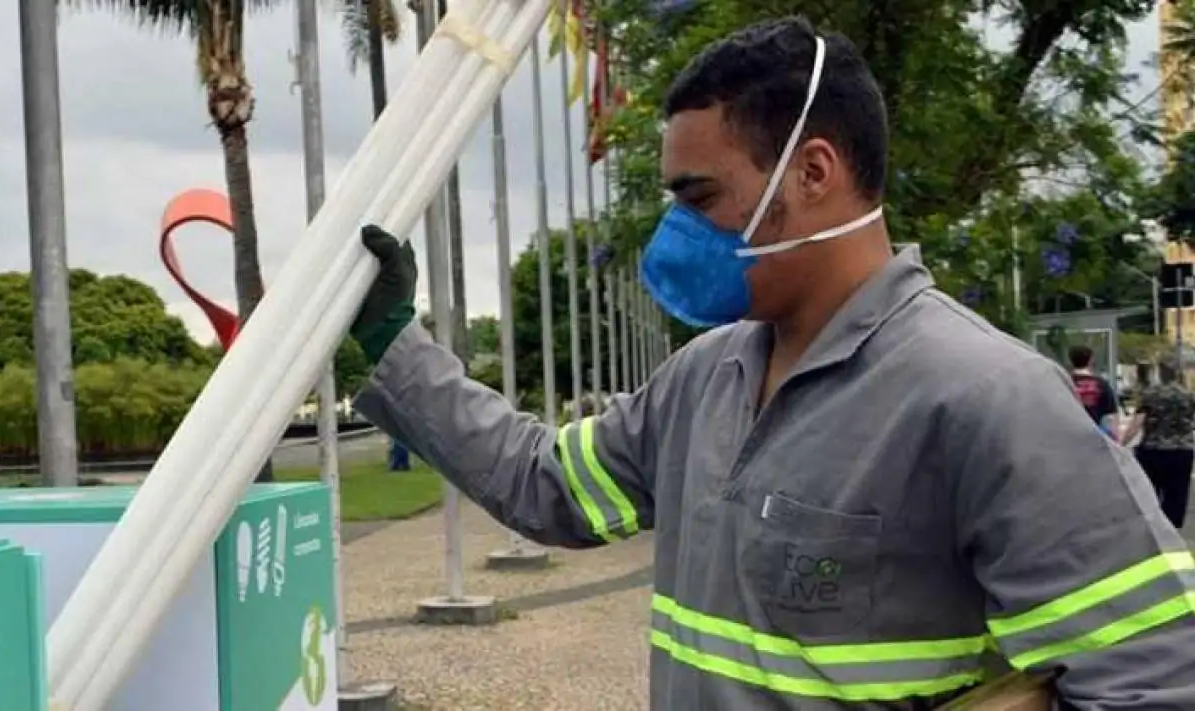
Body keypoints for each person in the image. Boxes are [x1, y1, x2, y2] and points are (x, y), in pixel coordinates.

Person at [345, 17, 1195, 709]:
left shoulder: (986, 398)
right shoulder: (703, 378)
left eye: (699, 197)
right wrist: (395, 350)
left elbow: (1153, 679)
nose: (676, 231)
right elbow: (543, 481)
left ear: (813, 172)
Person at [1123, 361, 1195, 529]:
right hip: (1182, 450)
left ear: (1160, 374)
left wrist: (1121, 443)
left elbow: (1137, 423)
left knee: (1150, 490)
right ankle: (1172, 527)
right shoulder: (1188, 395)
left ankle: (1153, 525)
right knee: (1177, 492)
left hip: (1153, 449)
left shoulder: (1151, 395)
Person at [1068, 345, 1120, 439]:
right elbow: (1111, 416)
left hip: (1070, 434)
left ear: (1071, 361)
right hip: (1094, 435)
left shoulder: (1065, 382)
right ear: (1091, 360)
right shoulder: (1102, 384)